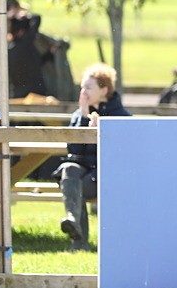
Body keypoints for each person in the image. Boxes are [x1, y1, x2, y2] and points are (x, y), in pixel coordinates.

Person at [54, 63, 131, 250]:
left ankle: (78, 240)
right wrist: (83, 117)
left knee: (75, 187)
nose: (83, 92)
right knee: (68, 168)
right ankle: (73, 221)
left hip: (108, 174)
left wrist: (102, 133)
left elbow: (122, 154)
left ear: (104, 90)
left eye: (88, 87)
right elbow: (73, 150)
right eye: (82, 87)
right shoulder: (79, 114)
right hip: (83, 170)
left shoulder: (120, 116)